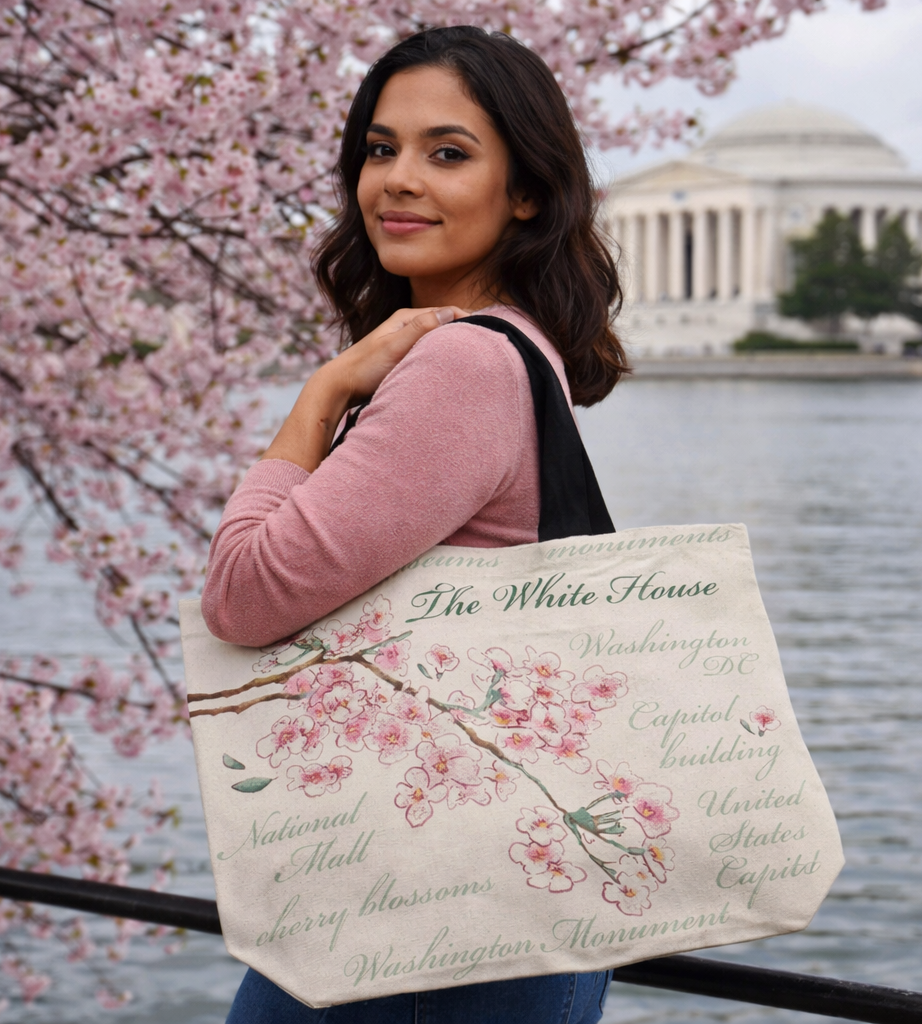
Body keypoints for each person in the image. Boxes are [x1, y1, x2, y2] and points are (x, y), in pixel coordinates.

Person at [202, 25, 629, 1024]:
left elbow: (244, 594)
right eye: (379, 149)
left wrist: (318, 397)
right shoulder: (514, 347)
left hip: (414, 914)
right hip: (473, 882)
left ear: (524, 189)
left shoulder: (463, 365)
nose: (397, 180)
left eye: (447, 153)